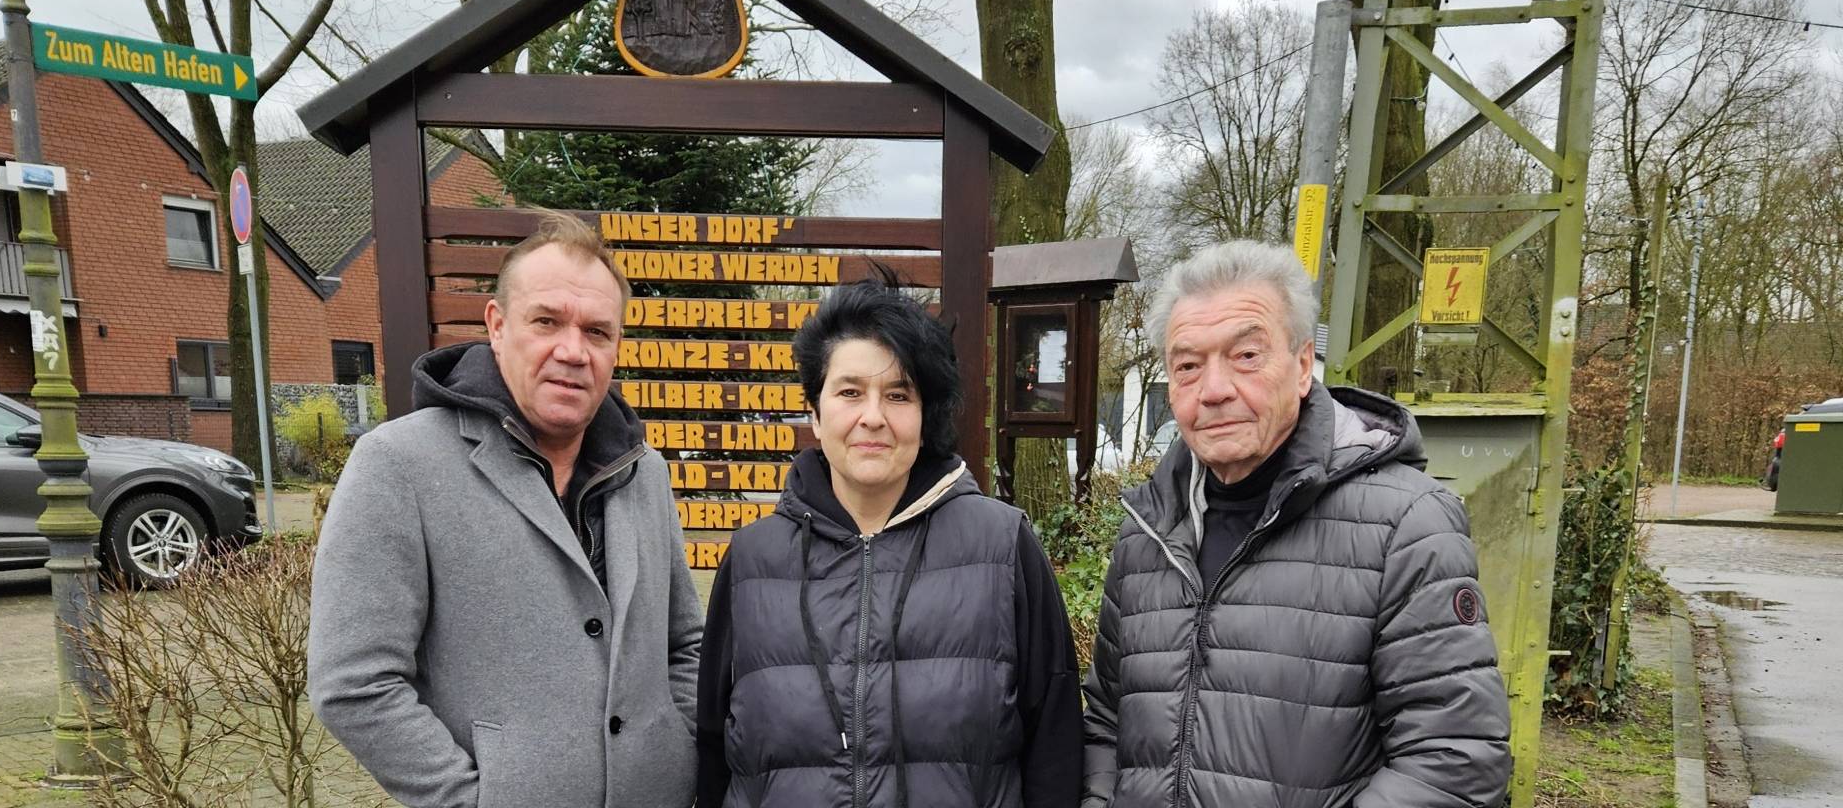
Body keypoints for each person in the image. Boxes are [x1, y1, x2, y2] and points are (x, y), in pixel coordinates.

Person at [1081, 241, 1511, 808]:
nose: (1213, 390)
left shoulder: (1406, 525)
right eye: (1187, 366)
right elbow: (1109, 723)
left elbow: (1454, 758)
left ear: (1303, 365)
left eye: (1246, 356)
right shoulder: (1149, 531)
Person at [309, 213, 702, 808]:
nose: (573, 351)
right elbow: (354, 683)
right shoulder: (398, 464)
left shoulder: (643, 470)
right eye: (547, 322)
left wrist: (675, 747)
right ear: (497, 325)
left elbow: (685, 643)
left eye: (597, 332)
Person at [695, 276, 1082, 808]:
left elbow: (1055, 749)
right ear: (814, 410)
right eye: (850, 391)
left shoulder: (1003, 547)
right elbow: (715, 753)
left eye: (898, 394)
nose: (872, 417)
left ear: (925, 416)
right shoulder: (751, 562)